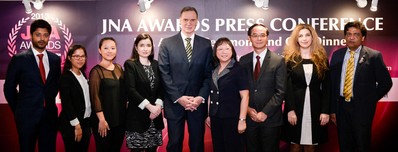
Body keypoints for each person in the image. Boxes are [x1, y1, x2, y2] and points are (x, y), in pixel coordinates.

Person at [329, 21, 392, 152]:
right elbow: (332, 84)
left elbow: (386, 83)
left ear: (362, 38)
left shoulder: (374, 56)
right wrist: (333, 110)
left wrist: (369, 99)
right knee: (345, 145)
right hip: (341, 108)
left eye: (356, 34)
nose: (351, 37)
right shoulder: (337, 55)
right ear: (345, 37)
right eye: (349, 34)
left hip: (362, 110)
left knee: (362, 145)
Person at [158, 6, 213, 152]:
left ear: (197, 22)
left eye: (192, 20)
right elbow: (164, 73)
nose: (189, 23)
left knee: (197, 144)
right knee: (174, 143)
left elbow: (209, 74)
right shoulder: (167, 43)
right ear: (179, 21)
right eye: (185, 20)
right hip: (175, 103)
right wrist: (178, 97)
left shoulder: (206, 44)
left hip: (197, 104)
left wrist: (200, 97)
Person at [3, 19, 61, 152]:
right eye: (38, 34)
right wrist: (20, 110)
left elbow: (55, 85)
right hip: (26, 117)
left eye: (45, 35)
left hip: (49, 118)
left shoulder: (55, 59)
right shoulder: (19, 59)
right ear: (31, 35)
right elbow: (9, 88)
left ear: (49, 37)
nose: (42, 38)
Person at [281, 24, 330, 152]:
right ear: (296, 39)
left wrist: (325, 111)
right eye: (300, 35)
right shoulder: (289, 60)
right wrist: (290, 110)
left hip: (315, 108)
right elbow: (287, 87)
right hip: (295, 109)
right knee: (295, 144)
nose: (304, 38)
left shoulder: (322, 60)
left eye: (307, 35)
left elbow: (327, 88)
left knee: (311, 144)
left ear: (312, 37)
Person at [239, 23, 287, 152]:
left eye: (262, 35)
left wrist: (265, 112)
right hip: (249, 118)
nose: (259, 39)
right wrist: (248, 110)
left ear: (267, 38)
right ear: (249, 38)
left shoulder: (278, 60)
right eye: (255, 35)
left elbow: (280, 91)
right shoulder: (243, 61)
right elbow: (240, 89)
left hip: (270, 119)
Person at [205, 37, 249, 152]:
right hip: (215, 117)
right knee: (218, 148)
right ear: (215, 52)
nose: (224, 52)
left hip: (232, 118)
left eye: (227, 49)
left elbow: (245, 96)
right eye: (220, 49)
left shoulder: (239, 69)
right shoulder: (214, 70)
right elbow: (211, 93)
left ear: (232, 51)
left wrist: (242, 120)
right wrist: (209, 114)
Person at [124, 33, 164, 152]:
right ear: (136, 47)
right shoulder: (130, 64)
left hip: (155, 119)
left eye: (148, 45)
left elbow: (162, 88)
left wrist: (157, 107)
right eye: (142, 45)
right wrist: (149, 107)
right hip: (137, 118)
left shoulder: (156, 64)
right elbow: (131, 90)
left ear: (152, 47)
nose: (145, 48)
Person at [89, 37, 126, 152]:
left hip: (120, 120)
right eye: (106, 48)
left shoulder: (119, 68)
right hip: (104, 121)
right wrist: (101, 120)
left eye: (112, 48)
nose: (109, 51)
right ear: (100, 50)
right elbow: (95, 97)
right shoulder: (96, 71)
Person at [58, 45, 91, 152]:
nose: (80, 59)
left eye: (82, 56)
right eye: (76, 56)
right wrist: (77, 126)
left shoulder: (83, 74)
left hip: (85, 122)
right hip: (72, 125)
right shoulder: (66, 77)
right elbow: (67, 104)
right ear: (69, 58)